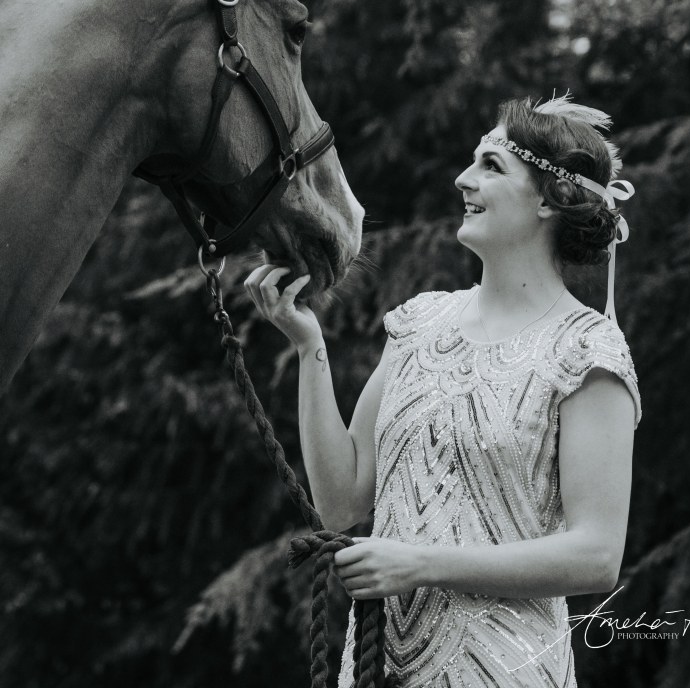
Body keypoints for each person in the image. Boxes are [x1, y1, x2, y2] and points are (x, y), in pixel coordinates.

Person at [245, 95, 641, 688]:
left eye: (491, 165)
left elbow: (597, 557)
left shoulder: (587, 352)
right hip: (379, 669)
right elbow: (342, 502)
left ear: (550, 199)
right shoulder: (420, 323)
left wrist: (420, 564)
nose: (463, 178)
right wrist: (308, 347)